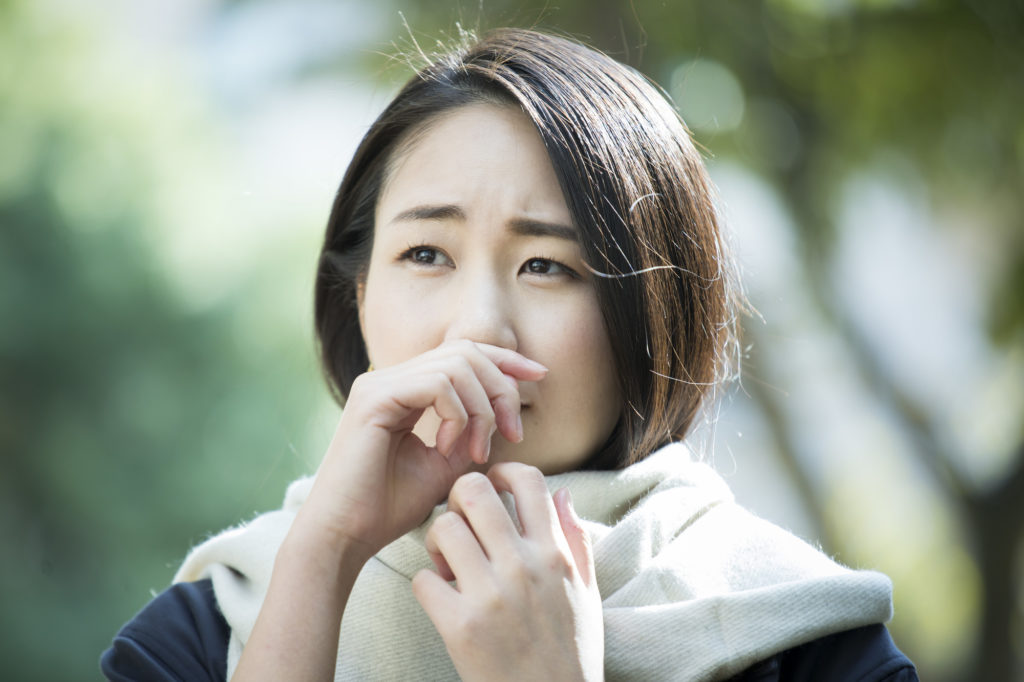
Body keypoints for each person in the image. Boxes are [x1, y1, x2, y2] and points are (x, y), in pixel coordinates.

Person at [101, 28, 917, 681]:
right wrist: (323, 557)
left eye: (547, 267)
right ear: (356, 293)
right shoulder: (209, 634)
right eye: (426, 254)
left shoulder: (804, 640)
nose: (477, 327)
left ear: (652, 315)